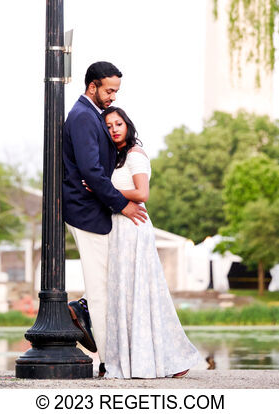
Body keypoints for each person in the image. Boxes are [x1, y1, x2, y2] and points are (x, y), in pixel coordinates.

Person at [100, 105, 202, 379]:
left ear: (127, 125)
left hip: (134, 227)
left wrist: (105, 190)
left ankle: (173, 358)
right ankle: (135, 360)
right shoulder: (117, 159)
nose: (114, 130)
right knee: (127, 293)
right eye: (108, 126)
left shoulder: (135, 154)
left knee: (143, 291)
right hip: (119, 226)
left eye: (118, 124)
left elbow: (142, 193)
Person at [62, 61, 147, 371]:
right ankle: (111, 363)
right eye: (109, 90)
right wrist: (121, 204)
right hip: (87, 213)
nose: (113, 96)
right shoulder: (83, 116)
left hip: (93, 210)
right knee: (100, 290)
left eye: (116, 91)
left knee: (107, 285)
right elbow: (91, 171)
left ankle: (111, 353)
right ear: (92, 86)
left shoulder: (91, 115)